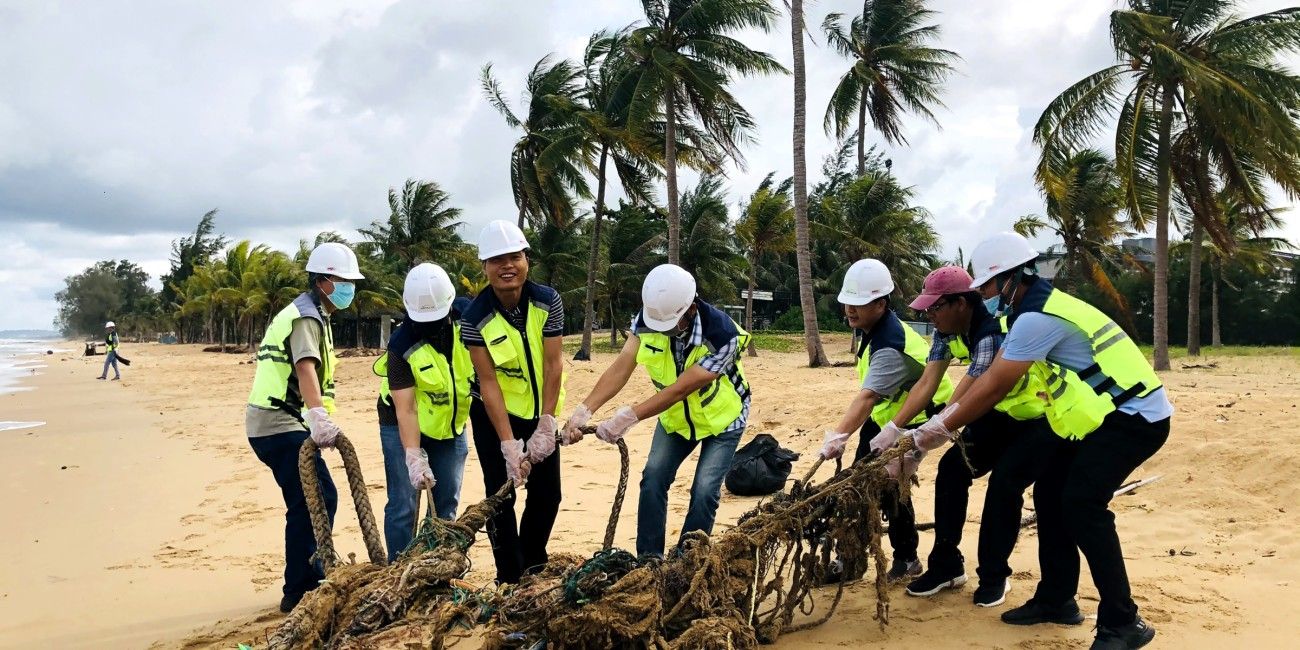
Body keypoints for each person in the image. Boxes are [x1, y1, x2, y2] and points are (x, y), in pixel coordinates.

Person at [905, 231, 1172, 650]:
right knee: (1050, 496)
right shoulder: (1029, 309)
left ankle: (1124, 622)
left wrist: (938, 427)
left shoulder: (1037, 317)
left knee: (1082, 504)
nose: (984, 295)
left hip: (1135, 416)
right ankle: (1057, 599)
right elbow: (988, 380)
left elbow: (993, 385)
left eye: (988, 287)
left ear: (1011, 279)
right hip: (1092, 418)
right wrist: (940, 424)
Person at [883, 265, 1058, 608]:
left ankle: (995, 575)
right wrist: (897, 428)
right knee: (951, 471)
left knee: (1004, 485)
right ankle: (946, 565)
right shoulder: (945, 332)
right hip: (996, 412)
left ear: (960, 304)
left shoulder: (991, 331)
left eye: (935, 308)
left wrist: (936, 429)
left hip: (1037, 418)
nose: (929, 315)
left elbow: (971, 387)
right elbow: (927, 383)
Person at [563, 263, 751, 559]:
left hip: (722, 420)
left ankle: (687, 559)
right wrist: (584, 409)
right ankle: (649, 559)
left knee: (704, 491)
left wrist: (629, 416)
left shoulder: (723, 335)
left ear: (690, 307)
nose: (662, 330)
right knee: (653, 478)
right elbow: (622, 366)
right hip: (676, 420)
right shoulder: (647, 320)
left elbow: (680, 389)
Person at [245, 241, 363, 613]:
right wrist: (318, 418)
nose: (349, 288)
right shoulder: (305, 317)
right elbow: (305, 367)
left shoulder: (314, 314)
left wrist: (316, 416)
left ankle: (306, 580)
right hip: (277, 424)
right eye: (343, 280)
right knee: (315, 498)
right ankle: (299, 589)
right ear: (324, 280)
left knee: (313, 498)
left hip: (279, 422)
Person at [818, 259, 953, 584]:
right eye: (847, 302)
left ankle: (897, 559)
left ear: (880, 304)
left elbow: (866, 398)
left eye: (859, 304)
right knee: (862, 484)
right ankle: (866, 558)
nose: (850, 309)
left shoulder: (889, 345)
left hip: (915, 423)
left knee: (878, 488)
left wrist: (838, 435)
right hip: (885, 418)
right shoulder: (871, 329)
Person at [460, 220, 566, 585]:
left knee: (547, 494)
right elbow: (487, 383)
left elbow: (553, 365)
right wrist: (507, 443)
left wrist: (546, 423)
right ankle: (509, 575)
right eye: (496, 260)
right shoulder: (473, 318)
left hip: (540, 413)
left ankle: (533, 563)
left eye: (514, 256)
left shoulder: (548, 300)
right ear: (485, 268)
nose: (507, 266)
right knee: (501, 497)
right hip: (494, 417)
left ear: (526, 260)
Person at [375, 263, 472, 562]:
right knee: (403, 503)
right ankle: (400, 570)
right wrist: (414, 456)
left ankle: (436, 568)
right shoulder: (401, 344)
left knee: (446, 501)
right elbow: (406, 408)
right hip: (399, 422)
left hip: (450, 424)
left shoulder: (468, 319)